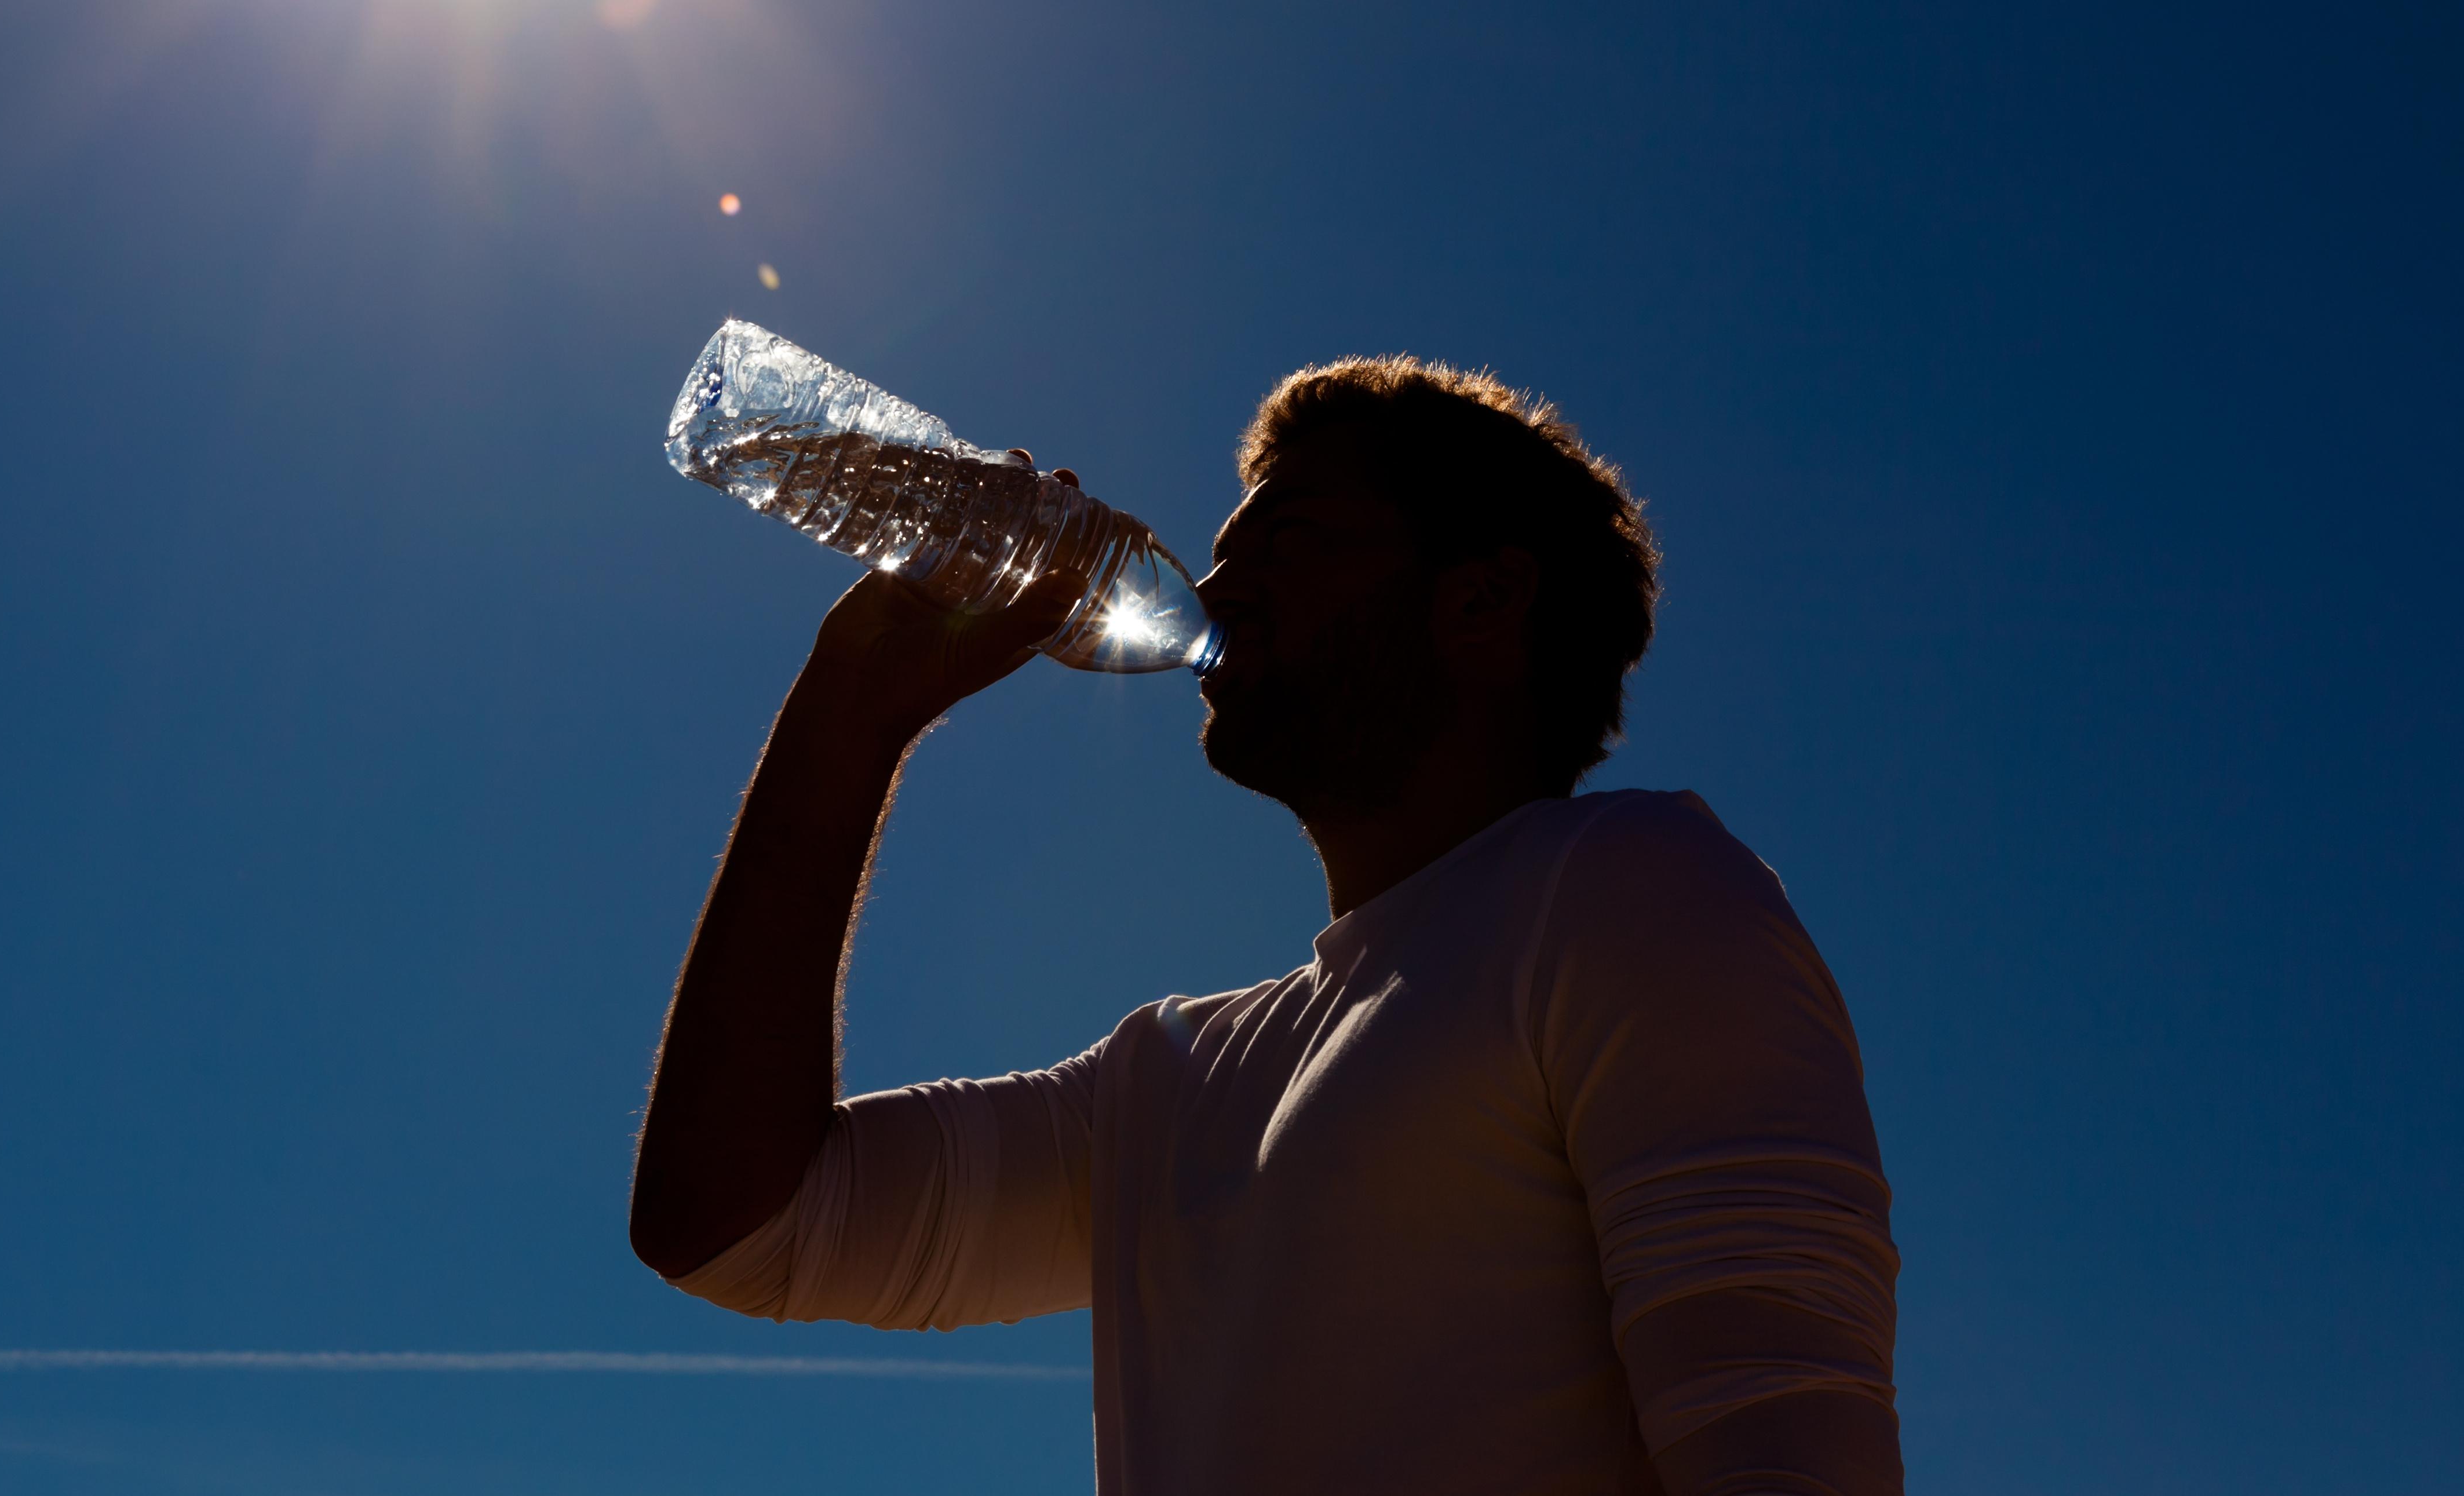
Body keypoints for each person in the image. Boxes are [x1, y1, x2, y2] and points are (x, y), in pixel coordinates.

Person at [629, 356, 1900, 1496]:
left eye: (1287, 540)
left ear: (1481, 598)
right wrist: (854, 703)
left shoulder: (1628, 886)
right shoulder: (1163, 1080)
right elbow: (736, 1226)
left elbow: (1783, 1446)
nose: (1215, 585)